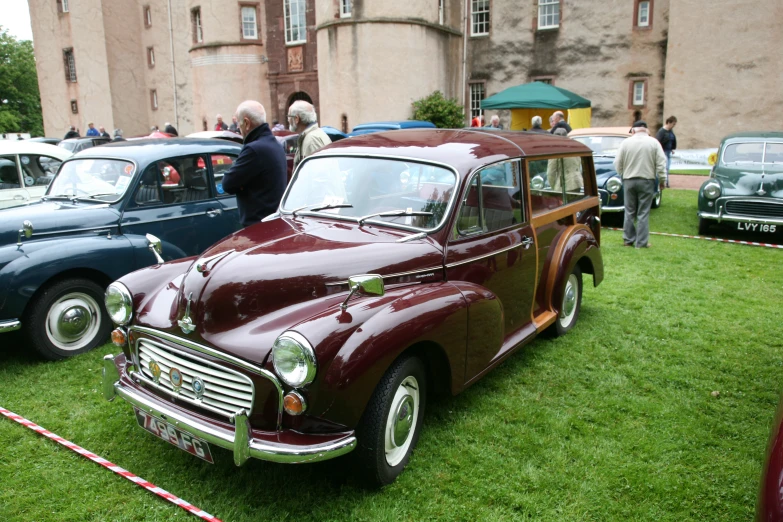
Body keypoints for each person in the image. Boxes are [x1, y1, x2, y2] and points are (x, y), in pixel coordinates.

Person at [221, 100, 287, 226]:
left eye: (239, 124)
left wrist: (242, 185)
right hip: (273, 221)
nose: (239, 130)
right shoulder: (275, 144)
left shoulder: (254, 150)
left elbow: (227, 184)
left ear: (246, 123)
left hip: (258, 226)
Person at [613, 120, 667, 249]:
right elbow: (661, 163)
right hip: (647, 180)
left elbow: (617, 162)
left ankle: (628, 239)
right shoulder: (654, 143)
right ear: (646, 130)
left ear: (633, 130)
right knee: (643, 212)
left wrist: (623, 174)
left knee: (629, 211)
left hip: (629, 179)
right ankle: (641, 242)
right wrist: (662, 180)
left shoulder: (625, 143)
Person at [288, 100, 331, 169]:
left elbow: (317, 173)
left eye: (289, 116)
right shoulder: (312, 135)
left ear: (296, 119)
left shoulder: (311, 140)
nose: (288, 120)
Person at [655, 115, 677, 188]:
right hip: (663, 151)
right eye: (673, 124)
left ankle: (666, 182)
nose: (674, 126)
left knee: (667, 168)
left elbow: (673, 139)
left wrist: (673, 148)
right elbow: (657, 142)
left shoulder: (671, 131)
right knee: (665, 167)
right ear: (669, 123)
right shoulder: (662, 131)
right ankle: (665, 183)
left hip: (669, 152)